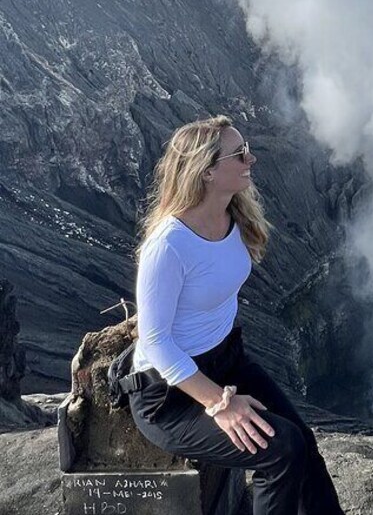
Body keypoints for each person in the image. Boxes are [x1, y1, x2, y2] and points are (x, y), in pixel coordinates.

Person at [128, 116, 344, 514]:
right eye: (239, 153)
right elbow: (155, 340)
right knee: (280, 452)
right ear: (207, 170)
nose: (252, 158)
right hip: (170, 395)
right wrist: (219, 404)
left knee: (303, 442)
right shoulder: (169, 245)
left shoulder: (232, 216)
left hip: (226, 361)